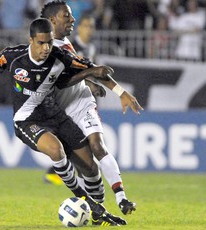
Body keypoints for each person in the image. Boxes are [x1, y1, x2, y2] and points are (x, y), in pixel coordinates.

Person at [0, 18, 124, 226]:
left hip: (55, 116)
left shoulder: (60, 57)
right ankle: (88, 201)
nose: (46, 48)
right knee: (56, 151)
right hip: (27, 120)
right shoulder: (14, 56)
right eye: (41, 43)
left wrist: (115, 88)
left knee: (90, 167)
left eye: (50, 42)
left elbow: (90, 68)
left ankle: (99, 214)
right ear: (31, 41)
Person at [40, 0, 143, 216]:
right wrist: (88, 77)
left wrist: (121, 93)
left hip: (82, 103)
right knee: (86, 166)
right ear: (52, 21)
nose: (73, 20)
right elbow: (61, 81)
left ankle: (122, 198)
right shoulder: (45, 51)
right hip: (62, 111)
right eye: (67, 16)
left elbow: (90, 69)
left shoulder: (67, 43)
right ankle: (93, 207)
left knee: (98, 145)